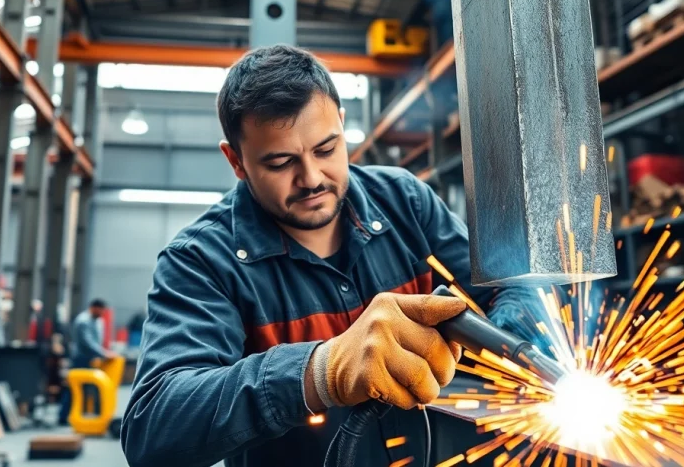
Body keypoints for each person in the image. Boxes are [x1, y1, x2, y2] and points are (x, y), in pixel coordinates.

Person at [121, 46, 532, 467]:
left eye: (326, 149)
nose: (312, 178)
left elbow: (509, 289)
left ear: (341, 122)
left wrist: (511, 341)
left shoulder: (406, 203)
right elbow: (153, 426)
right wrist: (320, 372)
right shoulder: (201, 261)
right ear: (236, 161)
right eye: (281, 162)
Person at [59, 299, 111, 424]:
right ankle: (63, 416)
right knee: (74, 388)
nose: (102, 313)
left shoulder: (99, 321)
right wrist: (104, 353)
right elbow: (87, 342)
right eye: (101, 310)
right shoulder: (83, 321)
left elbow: (98, 340)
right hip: (80, 359)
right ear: (94, 308)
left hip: (92, 359)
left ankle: (82, 416)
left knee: (89, 389)